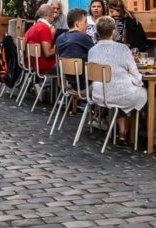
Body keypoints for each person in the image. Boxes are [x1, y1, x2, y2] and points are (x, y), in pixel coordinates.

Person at [87, 15, 147, 146]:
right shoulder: (123, 49)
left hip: (100, 93)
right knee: (142, 94)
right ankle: (146, 133)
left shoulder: (92, 50)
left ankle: (122, 131)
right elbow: (136, 76)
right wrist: (135, 81)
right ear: (114, 32)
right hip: (120, 93)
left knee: (118, 93)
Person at [57, 8, 95, 92]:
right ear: (77, 24)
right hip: (86, 84)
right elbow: (98, 56)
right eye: (85, 22)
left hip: (68, 83)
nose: (88, 25)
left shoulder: (59, 38)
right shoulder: (83, 37)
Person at [23, 3, 56, 76]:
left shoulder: (32, 28)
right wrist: (61, 48)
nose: (54, 18)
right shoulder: (44, 28)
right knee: (70, 67)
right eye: (53, 15)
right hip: (43, 67)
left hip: (31, 65)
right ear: (49, 16)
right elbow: (48, 53)